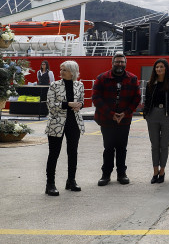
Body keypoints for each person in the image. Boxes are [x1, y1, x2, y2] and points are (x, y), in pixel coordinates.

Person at [93, 52, 141, 186]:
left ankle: (121, 174)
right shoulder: (102, 78)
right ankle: (105, 175)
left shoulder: (132, 78)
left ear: (125, 63)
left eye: (122, 62)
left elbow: (136, 98)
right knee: (108, 147)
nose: (120, 64)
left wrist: (125, 113)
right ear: (112, 63)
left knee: (122, 147)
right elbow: (96, 98)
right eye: (117, 62)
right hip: (107, 119)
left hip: (124, 120)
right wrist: (111, 114)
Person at [44, 60, 84, 196]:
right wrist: (69, 104)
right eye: (61, 69)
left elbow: (82, 101)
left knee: (73, 152)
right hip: (56, 123)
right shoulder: (54, 85)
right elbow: (50, 105)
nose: (61, 72)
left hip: (74, 122)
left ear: (72, 72)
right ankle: (50, 184)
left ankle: (71, 181)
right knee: (54, 153)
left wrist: (80, 105)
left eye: (64, 70)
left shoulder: (79, 85)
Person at [143, 59, 169, 184]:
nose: (159, 69)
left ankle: (162, 171)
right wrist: (146, 115)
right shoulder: (151, 83)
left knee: (164, 145)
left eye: (161, 67)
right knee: (154, 145)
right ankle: (155, 171)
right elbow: (147, 100)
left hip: (167, 116)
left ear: (166, 69)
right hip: (153, 115)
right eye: (157, 67)